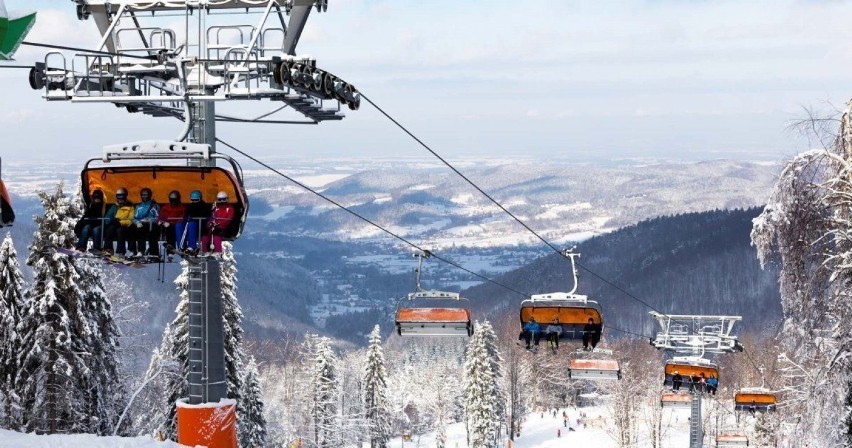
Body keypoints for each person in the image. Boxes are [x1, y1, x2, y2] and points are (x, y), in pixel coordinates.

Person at [103, 188, 135, 256]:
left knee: (120, 230)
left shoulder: (130, 207)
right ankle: (108, 249)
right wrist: (111, 221)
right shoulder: (114, 207)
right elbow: (107, 217)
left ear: (125, 196)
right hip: (114, 226)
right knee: (110, 229)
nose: (120, 199)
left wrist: (121, 222)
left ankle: (120, 251)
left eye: (122, 197)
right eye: (118, 197)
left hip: (125, 227)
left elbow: (131, 219)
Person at [132, 187, 160, 257]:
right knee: (139, 230)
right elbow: (134, 218)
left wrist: (150, 220)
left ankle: (154, 252)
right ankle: (141, 251)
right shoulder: (139, 206)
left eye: (146, 195)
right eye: (143, 195)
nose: (144, 197)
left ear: (149, 195)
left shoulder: (154, 205)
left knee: (153, 231)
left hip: (152, 224)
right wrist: (137, 222)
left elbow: (158, 217)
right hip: (142, 224)